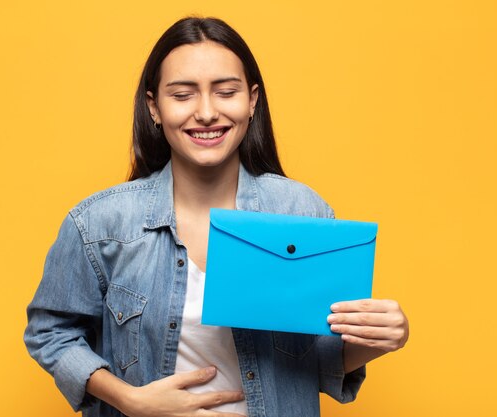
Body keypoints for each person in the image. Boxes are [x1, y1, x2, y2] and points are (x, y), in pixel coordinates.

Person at [24, 16, 409, 417]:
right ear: (154, 107)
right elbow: (50, 334)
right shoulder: (100, 223)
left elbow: (319, 361)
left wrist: (381, 338)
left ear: (252, 101)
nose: (206, 112)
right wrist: (128, 398)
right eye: (182, 95)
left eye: (226, 92)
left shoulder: (302, 211)